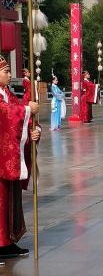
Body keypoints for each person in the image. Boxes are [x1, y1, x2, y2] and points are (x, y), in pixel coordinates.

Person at [0, 55, 41, 258]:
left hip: (8, 156)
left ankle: (7, 241)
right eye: (6, 71)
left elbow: (20, 119)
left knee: (10, 199)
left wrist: (32, 133)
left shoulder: (7, 94)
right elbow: (6, 114)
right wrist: (26, 110)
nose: (9, 75)